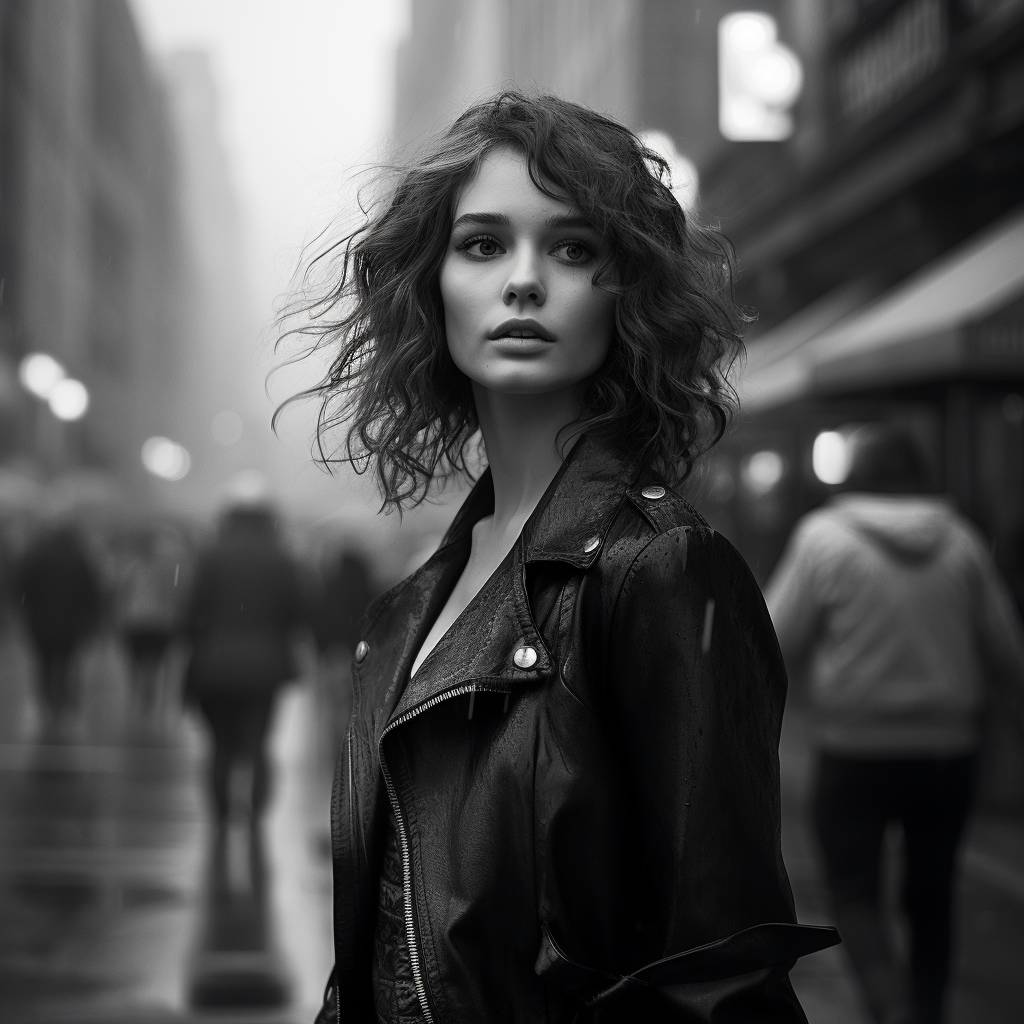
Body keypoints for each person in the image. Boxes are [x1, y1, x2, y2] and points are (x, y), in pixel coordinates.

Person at [284, 92, 837, 1024]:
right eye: (484, 244)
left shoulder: (663, 569)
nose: (526, 281)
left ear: (628, 293)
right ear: (434, 284)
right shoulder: (407, 609)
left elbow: (722, 976)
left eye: (575, 249)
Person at [766, 423, 1024, 1024]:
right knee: (932, 894)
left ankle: (890, 1006)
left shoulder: (823, 538)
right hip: (948, 751)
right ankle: (928, 1010)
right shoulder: (961, 541)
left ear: (854, 477)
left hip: (853, 747)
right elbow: (1007, 649)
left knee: (853, 889)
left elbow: (776, 639)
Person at [184, 500, 307, 826]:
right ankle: (255, 816)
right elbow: (297, 610)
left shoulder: (211, 555)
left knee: (220, 744)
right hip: (264, 666)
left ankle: (221, 814)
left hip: (215, 663)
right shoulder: (280, 558)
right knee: (257, 742)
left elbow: (192, 609)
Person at [16, 523, 101, 739]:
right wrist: (92, 618)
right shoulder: (79, 558)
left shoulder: (36, 556)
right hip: (71, 623)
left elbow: (22, 587)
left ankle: (48, 706)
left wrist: (26, 609)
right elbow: (92, 591)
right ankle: (65, 707)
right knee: (67, 663)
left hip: (41, 621)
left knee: (44, 664)